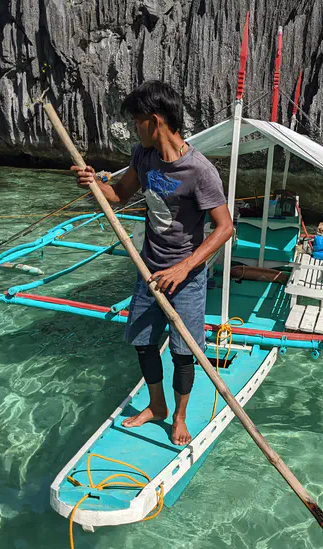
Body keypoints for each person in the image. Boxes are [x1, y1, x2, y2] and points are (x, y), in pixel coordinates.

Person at [72, 81, 233, 446]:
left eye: (137, 121)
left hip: (186, 277)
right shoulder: (142, 157)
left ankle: (179, 416)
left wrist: (183, 268)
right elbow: (118, 194)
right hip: (150, 269)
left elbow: (225, 229)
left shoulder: (200, 171)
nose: (133, 128)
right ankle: (157, 406)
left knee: (183, 352)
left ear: (155, 121)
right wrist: (92, 184)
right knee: (142, 342)